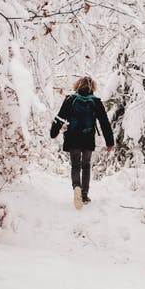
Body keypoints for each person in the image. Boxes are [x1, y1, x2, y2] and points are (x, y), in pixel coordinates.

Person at [50, 76, 114, 210]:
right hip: (87, 138)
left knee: (75, 166)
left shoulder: (70, 99)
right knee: (86, 166)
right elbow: (104, 122)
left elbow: (60, 116)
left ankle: (76, 189)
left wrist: (54, 132)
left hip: (73, 138)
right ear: (93, 87)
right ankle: (84, 194)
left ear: (77, 86)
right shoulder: (95, 102)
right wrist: (109, 141)